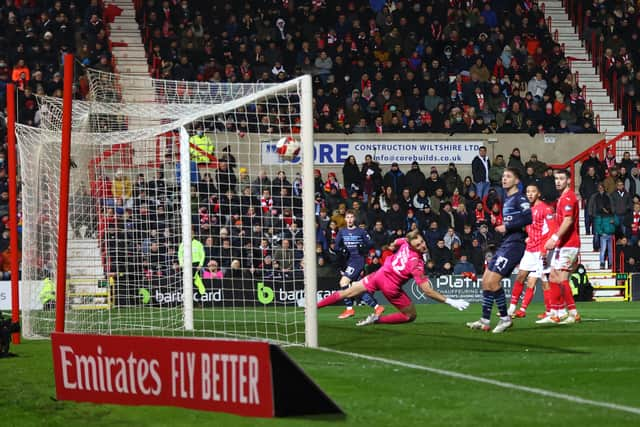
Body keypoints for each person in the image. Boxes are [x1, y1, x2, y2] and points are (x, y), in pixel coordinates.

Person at [317, 230, 470, 326]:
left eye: (422, 242)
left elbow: (395, 242)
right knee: (410, 315)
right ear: (413, 246)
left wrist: (392, 247)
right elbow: (427, 291)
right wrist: (450, 301)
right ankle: (377, 320)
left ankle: (313, 308)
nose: (422, 246)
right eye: (418, 245)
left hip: (380, 274)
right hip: (390, 286)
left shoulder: (404, 242)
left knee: (347, 292)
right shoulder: (416, 263)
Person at [467, 168, 532, 333]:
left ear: (517, 181)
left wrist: (506, 226)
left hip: (515, 245)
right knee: (486, 281)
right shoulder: (507, 199)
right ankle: (485, 319)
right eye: (503, 176)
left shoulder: (520, 197)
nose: (504, 179)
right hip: (506, 243)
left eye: (508, 176)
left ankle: (505, 319)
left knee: (494, 282)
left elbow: (528, 217)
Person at [539, 169, 581, 324]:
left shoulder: (569, 197)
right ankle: (557, 312)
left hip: (569, 243)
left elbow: (568, 221)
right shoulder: (561, 198)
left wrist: (555, 237)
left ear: (568, 181)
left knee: (562, 278)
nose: (558, 181)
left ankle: (573, 313)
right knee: (554, 276)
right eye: (556, 178)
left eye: (561, 178)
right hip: (562, 244)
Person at [507, 184, 555, 318]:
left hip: (541, 250)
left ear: (538, 194)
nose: (530, 194)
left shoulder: (546, 209)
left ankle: (550, 311)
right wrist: (528, 237)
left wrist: (545, 248)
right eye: (527, 191)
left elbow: (552, 230)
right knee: (521, 276)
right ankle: (512, 309)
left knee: (544, 282)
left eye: (533, 191)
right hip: (530, 249)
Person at [334, 210, 385, 319]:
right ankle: (377, 307)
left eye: (352, 217)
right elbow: (336, 247)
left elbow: (371, 243)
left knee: (343, 282)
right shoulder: (342, 231)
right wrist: (341, 250)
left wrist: (364, 248)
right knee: (357, 289)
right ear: (345, 219)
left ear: (354, 219)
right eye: (348, 217)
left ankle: (349, 309)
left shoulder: (361, 231)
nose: (350, 219)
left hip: (358, 260)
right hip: (348, 261)